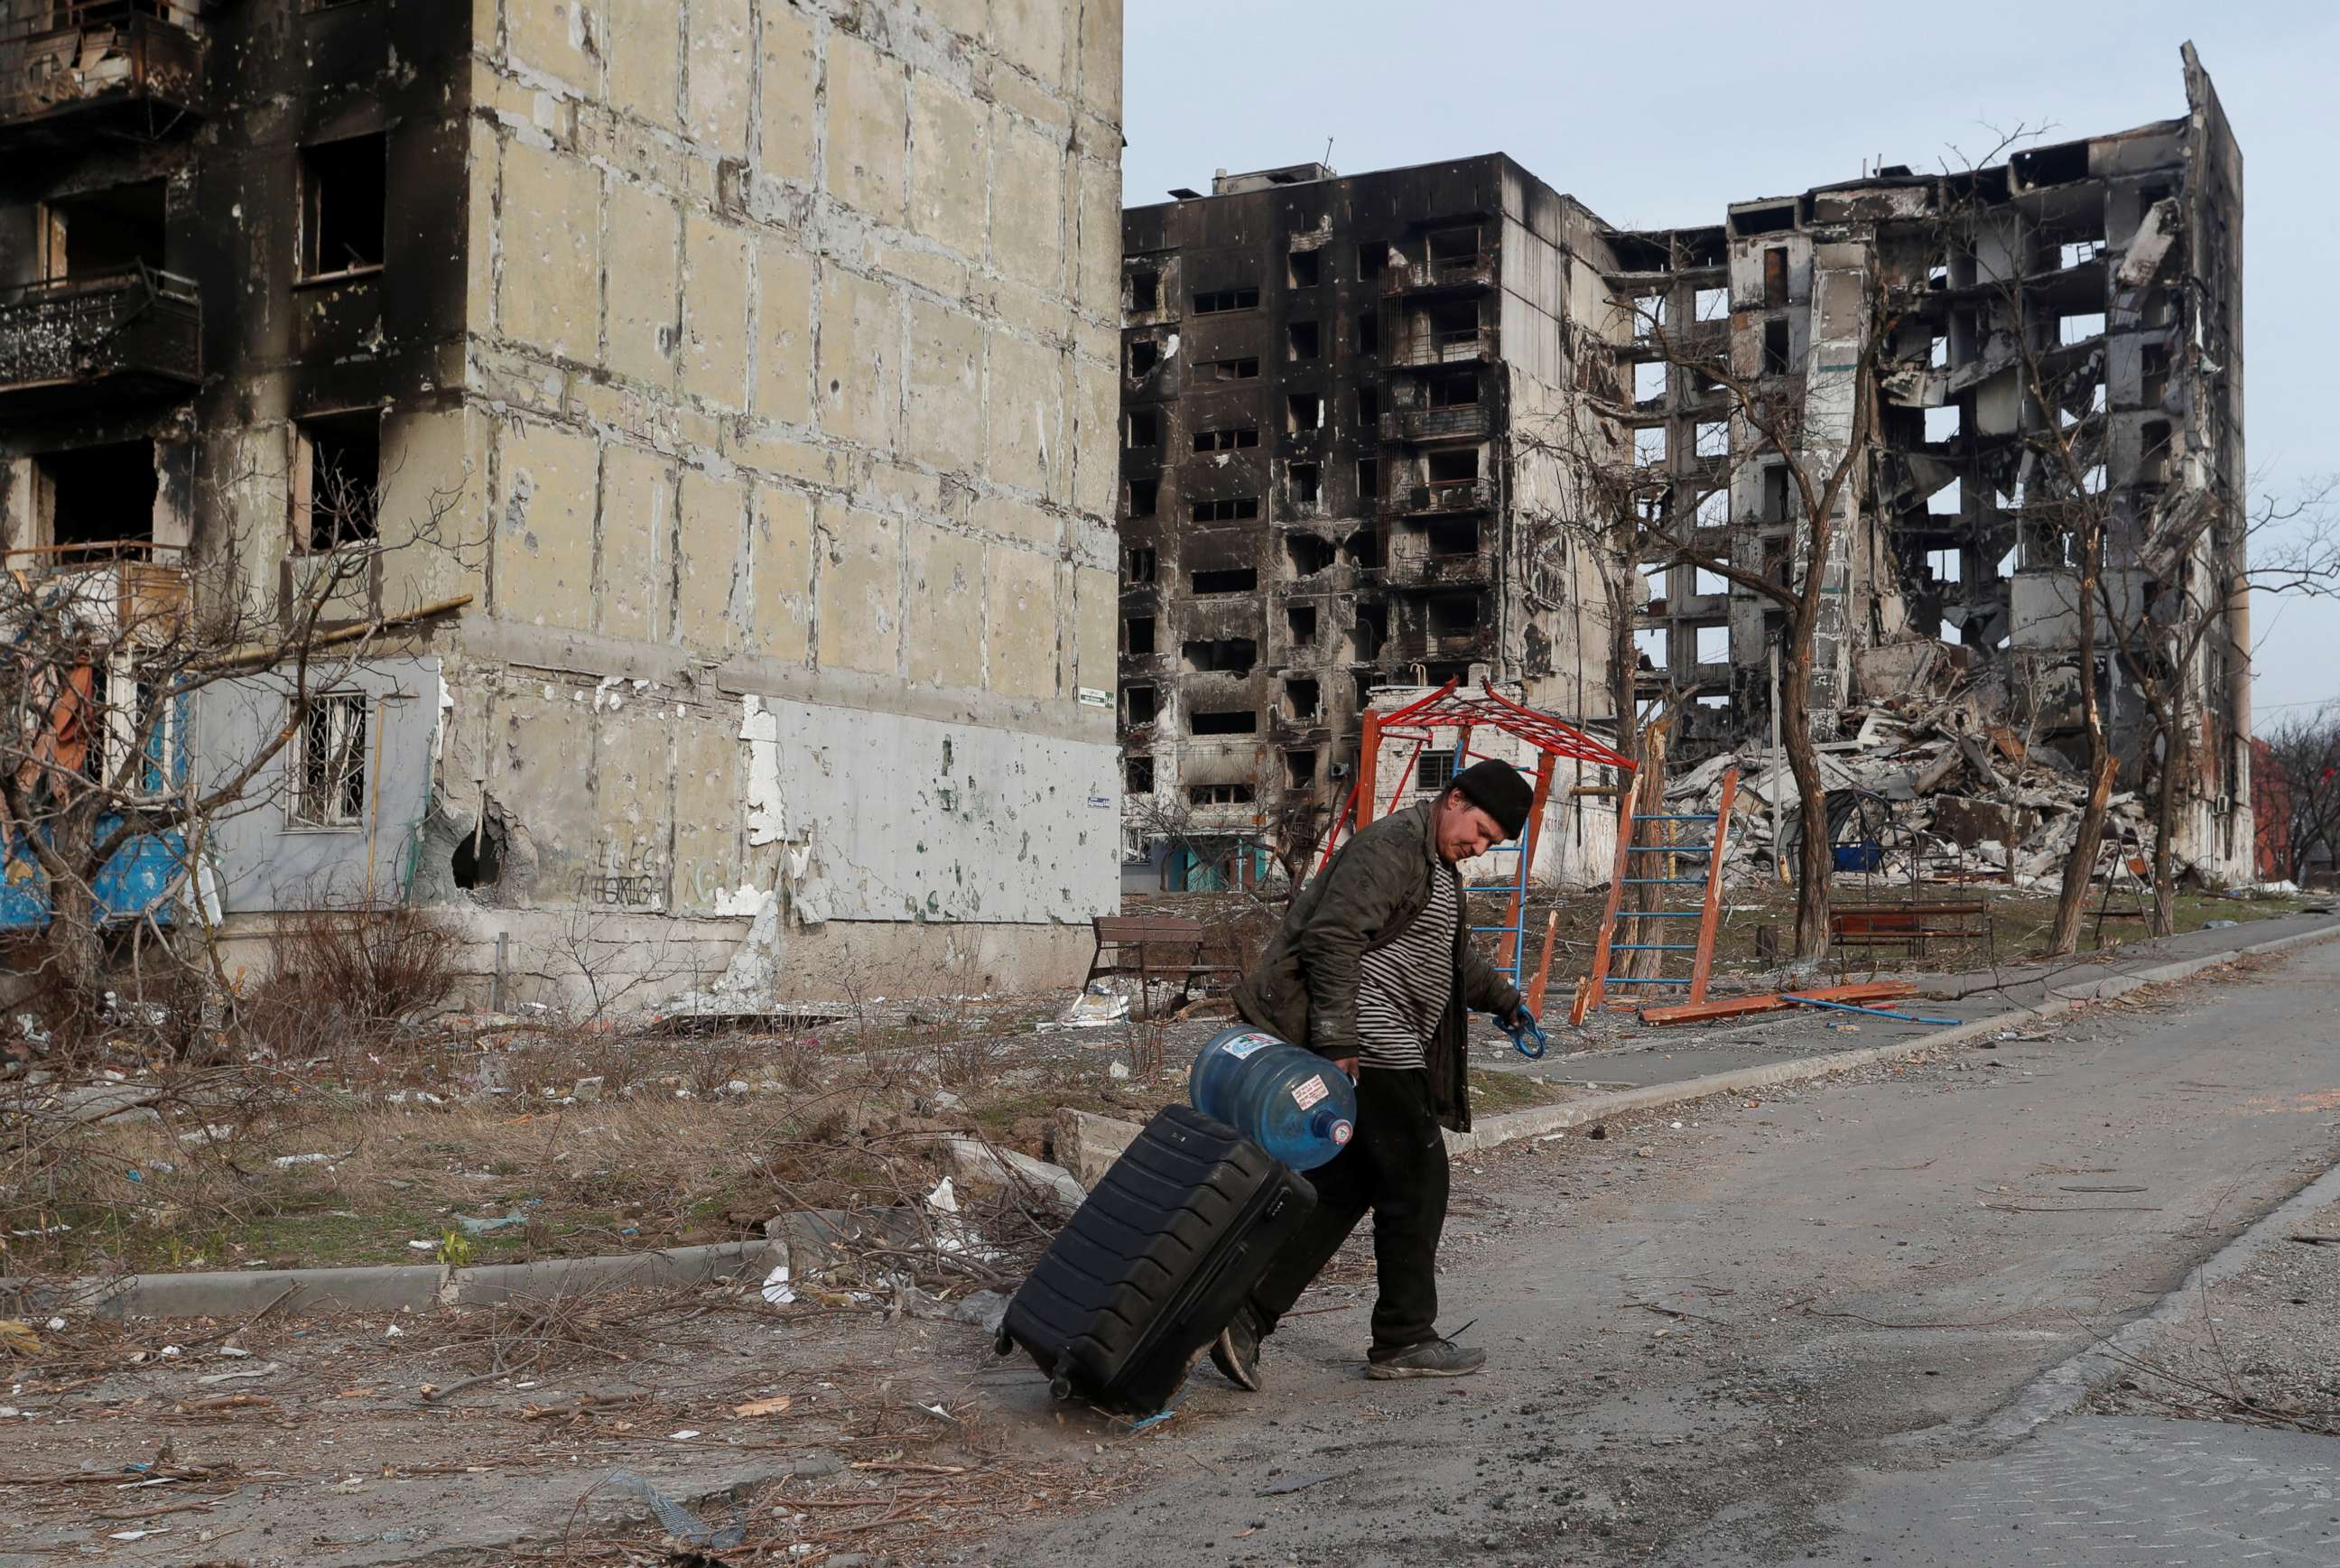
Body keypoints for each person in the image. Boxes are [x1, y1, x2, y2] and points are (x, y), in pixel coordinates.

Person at [1214, 758, 1537, 1385]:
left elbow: (1454, 961)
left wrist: (1507, 1002)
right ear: (1455, 797)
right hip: (1371, 1043)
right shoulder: (1392, 845)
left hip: (1381, 1043)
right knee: (1419, 1175)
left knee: (1344, 1187)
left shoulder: (1438, 870)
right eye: (1479, 830)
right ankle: (1404, 1336)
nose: (1478, 846)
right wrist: (1339, 1039)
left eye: (1491, 843)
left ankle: (1243, 1314)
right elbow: (1331, 938)